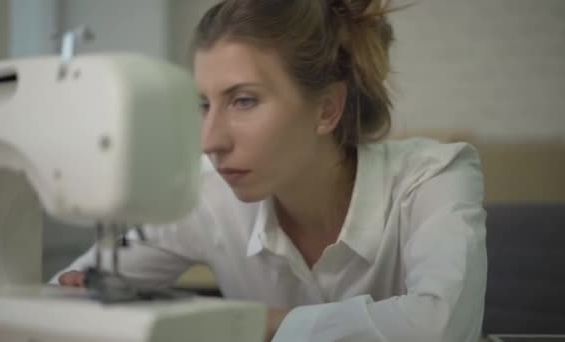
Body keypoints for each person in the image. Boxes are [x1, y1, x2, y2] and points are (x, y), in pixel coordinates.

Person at [54, 0, 487, 341]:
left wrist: (266, 323)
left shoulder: (435, 177)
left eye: (243, 100)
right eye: (204, 105)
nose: (210, 141)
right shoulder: (207, 193)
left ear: (326, 109)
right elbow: (66, 292)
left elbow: (440, 328)